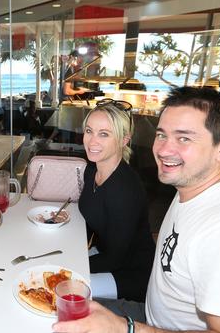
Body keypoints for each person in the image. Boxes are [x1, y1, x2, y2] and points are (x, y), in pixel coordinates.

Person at [53, 87, 220, 333]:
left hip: (144, 322)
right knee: (53, 308)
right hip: (151, 316)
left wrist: (127, 328)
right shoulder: (189, 194)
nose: (164, 150)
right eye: (162, 135)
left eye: (184, 138)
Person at [78, 101, 155, 303]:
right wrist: (75, 247)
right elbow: (92, 216)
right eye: (89, 131)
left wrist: (73, 262)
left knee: (59, 286)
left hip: (130, 272)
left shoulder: (124, 189)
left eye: (104, 134)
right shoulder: (92, 170)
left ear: (124, 140)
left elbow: (115, 258)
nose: (92, 141)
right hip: (105, 254)